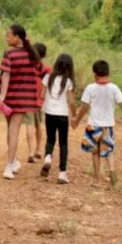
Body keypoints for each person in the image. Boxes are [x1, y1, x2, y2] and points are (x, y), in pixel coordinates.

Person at [72, 60, 122, 187]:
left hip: (93, 125)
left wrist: (76, 121)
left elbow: (84, 107)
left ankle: (98, 181)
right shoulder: (114, 88)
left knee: (95, 153)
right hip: (108, 126)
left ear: (94, 73)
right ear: (108, 73)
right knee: (108, 150)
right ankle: (112, 170)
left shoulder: (90, 88)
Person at [0, 25, 41, 180]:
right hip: (23, 98)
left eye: (9, 35)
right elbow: (37, 72)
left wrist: (2, 95)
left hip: (11, 98)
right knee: (12, 130)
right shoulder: (32, 55)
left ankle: (9, 165)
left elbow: (6, 75)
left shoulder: (10, 54)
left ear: (17, 37)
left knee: (12, 130)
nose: (6, 38)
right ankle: (12, 161)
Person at [39, 54, 76, 184]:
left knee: (50, 139)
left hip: (49, 113)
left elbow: (42, 95)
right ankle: (62, 173)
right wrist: (74, 115)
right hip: (62, 115)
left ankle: (48, 157)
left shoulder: (48, 77)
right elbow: (71, 102)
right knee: (63, 143)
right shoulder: (68, 81)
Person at [25, 42, 50, 163]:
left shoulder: (28, 67)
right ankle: (39, 149)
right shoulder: (46, 69)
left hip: (27, 98)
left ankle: (30, 152)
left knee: (29, 124)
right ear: (44, 55)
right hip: (40, 99)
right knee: (39, 124)